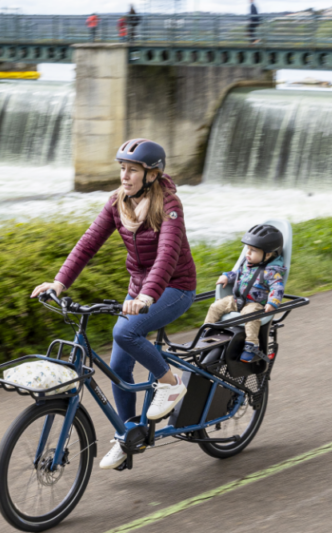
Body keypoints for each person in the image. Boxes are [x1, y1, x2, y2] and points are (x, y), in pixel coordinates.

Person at [31, 139, 197, 470]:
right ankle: (129, 435)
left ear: (151, 174)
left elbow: (166, 256)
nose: (125, 176)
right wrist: (60, 282)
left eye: (132, 170)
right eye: (122, 168)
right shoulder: (117, 202)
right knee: (118, 368)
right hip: (139, 290)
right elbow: (88, 243)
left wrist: (148, 296)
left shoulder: (169, 207)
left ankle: (170, 382)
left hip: (174, 288)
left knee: (125, 333)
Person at [203, 224, 285, 363]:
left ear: (268, 254)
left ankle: (251, 345)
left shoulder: (271, 271)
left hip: (255, 304)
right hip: (237, 300)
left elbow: (277, 288)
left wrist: (273, 303)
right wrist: (227, 277)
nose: (247, 253)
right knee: (215, 307)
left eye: (253, 250)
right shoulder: (248, 264)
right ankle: (206, 332)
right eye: (248, 249)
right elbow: (238, 274)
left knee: (250, 315)